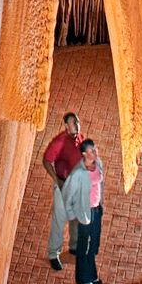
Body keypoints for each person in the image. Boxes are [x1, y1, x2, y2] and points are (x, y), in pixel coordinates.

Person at [58, 139, 104, 284]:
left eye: (95, 149)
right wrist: (72, 214)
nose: (95, 153)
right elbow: (68, 193)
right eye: (91, 151)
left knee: (93, 244)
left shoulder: (98, 164)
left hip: (96, 209)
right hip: (85, 213)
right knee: (85, 245)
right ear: (84, 154)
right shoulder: (78, 173)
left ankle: (92, 275)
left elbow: (99, 184)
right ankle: (83, 278)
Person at [42, 112, 84, 270]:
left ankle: (74, 248)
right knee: (59, 220)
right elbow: (46, 160)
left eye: (78, 122)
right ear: (66, 126)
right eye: (74, 123)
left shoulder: (80, 139)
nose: (77, 125)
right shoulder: (59, 142)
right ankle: (53, 254)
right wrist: (57, 180)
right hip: (63, 185)